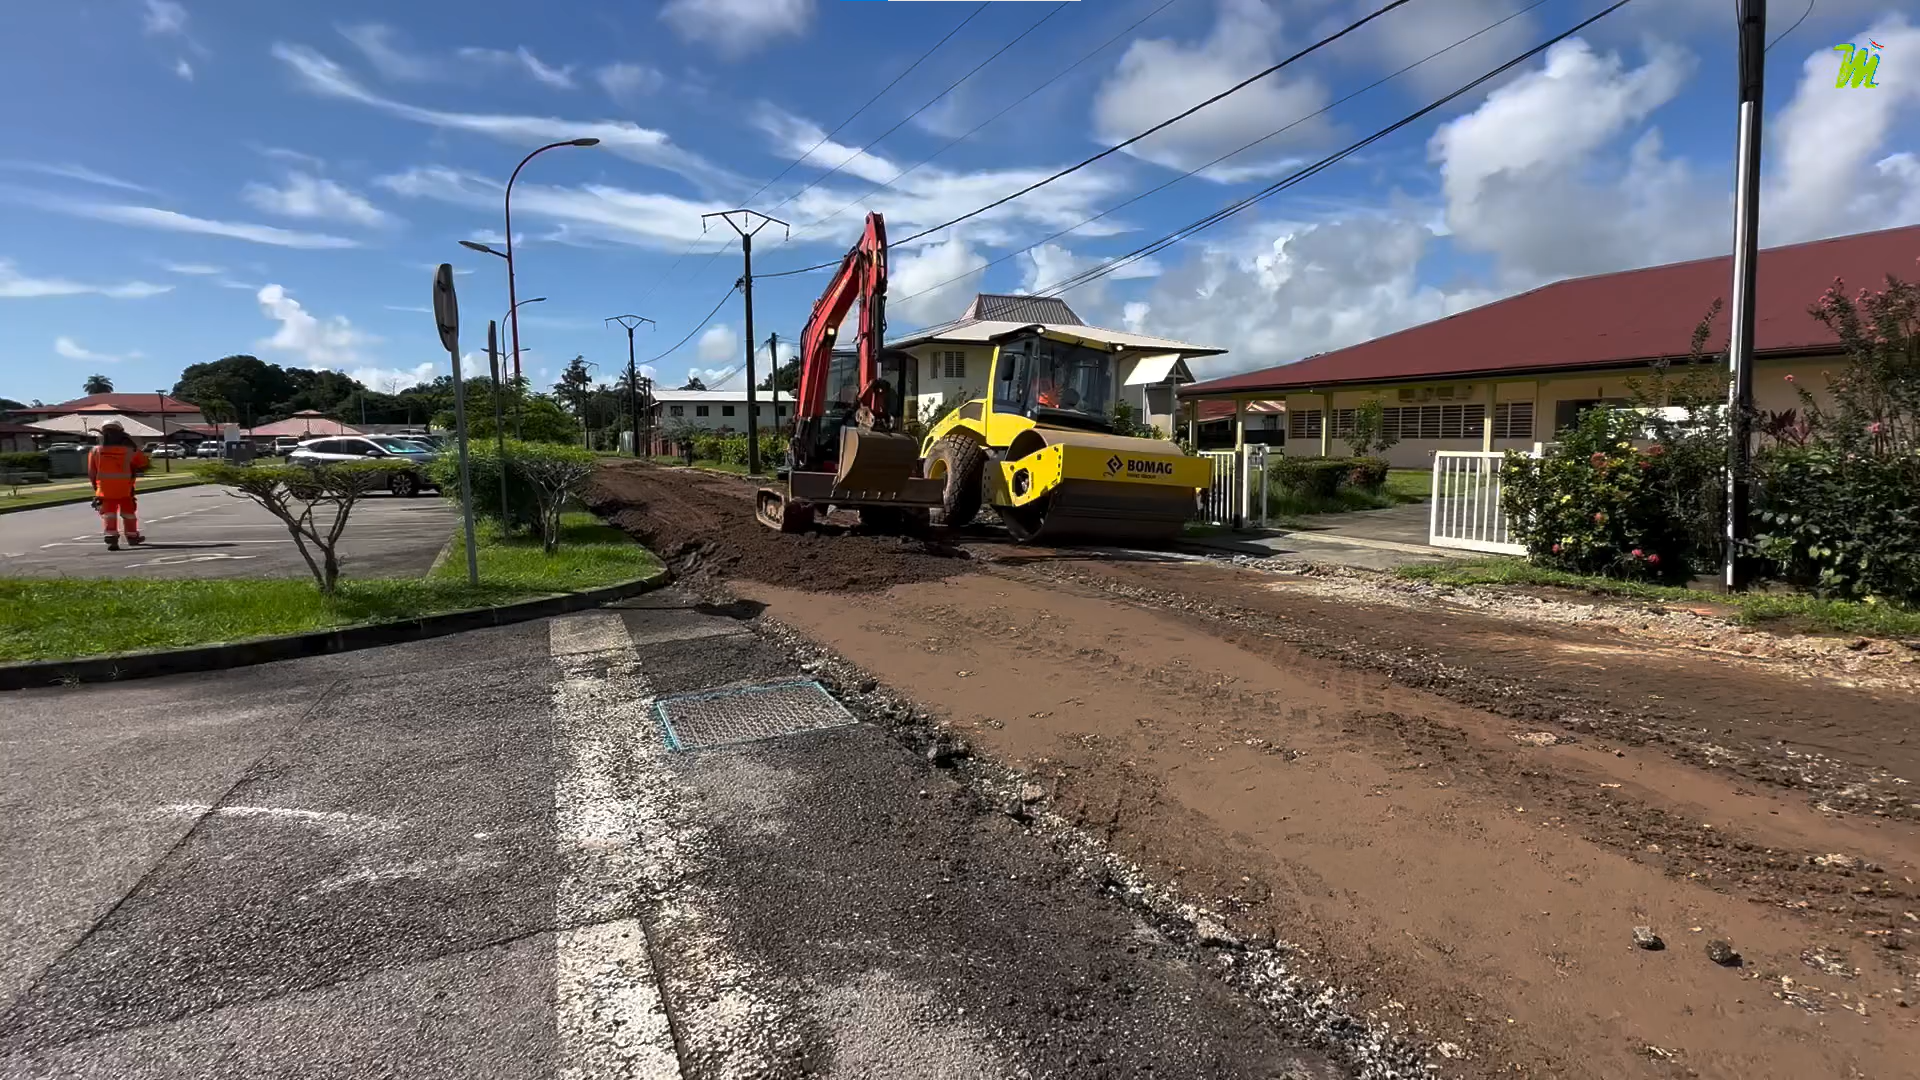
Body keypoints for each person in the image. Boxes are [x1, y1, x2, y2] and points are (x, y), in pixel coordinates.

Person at [87, 421, 149, 551]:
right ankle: (132, 537)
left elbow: (92, 473)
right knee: (129, 513)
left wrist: (96, 488)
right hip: (126, 489)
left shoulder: (95, 451)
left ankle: (111, 537)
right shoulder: (130, 450)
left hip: (104, 490)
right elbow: (143, 464)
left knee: (109, 514)